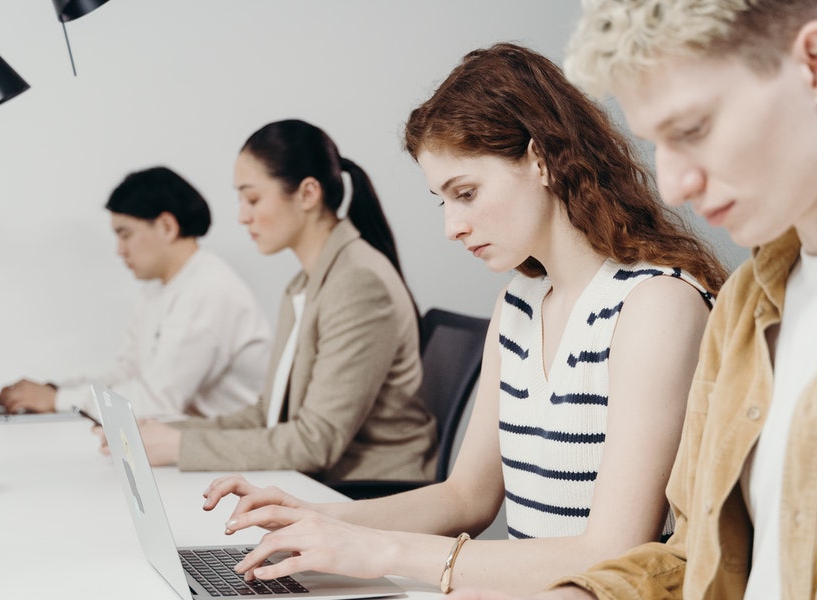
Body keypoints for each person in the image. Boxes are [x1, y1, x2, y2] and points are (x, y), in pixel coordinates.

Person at [447, 1, 817, 599]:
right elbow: (697, 560)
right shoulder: (745, 304)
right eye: (657, 142)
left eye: (693, 130)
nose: (674, 183)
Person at [200, 44, 727, 596]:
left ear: (541, 159)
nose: (452, 226)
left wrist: (386, 549)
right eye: (442, 201)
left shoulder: (655, 305)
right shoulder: (519, 305)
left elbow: (612, 553)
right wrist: (319, 518)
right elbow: (466, 498)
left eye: (467, 193)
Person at [121, 119, 438, 483]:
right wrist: (174, 433)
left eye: (252, 198)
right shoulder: (305, 284)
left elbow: (315, 442)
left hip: (372, 490)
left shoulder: (358, 283)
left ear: (307, 194)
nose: (242, 215)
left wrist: (179, 448)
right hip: (324, 481)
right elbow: (269, 413)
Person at [0, 166, 270, 419]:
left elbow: (155, 403)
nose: (119, 250)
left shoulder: (209, 291)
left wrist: (57, 400)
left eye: (125, 234)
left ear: (166, 226)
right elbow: (129, 373)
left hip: (234, 460)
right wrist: (54, 390)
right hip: (191, 448)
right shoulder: (158, 289)